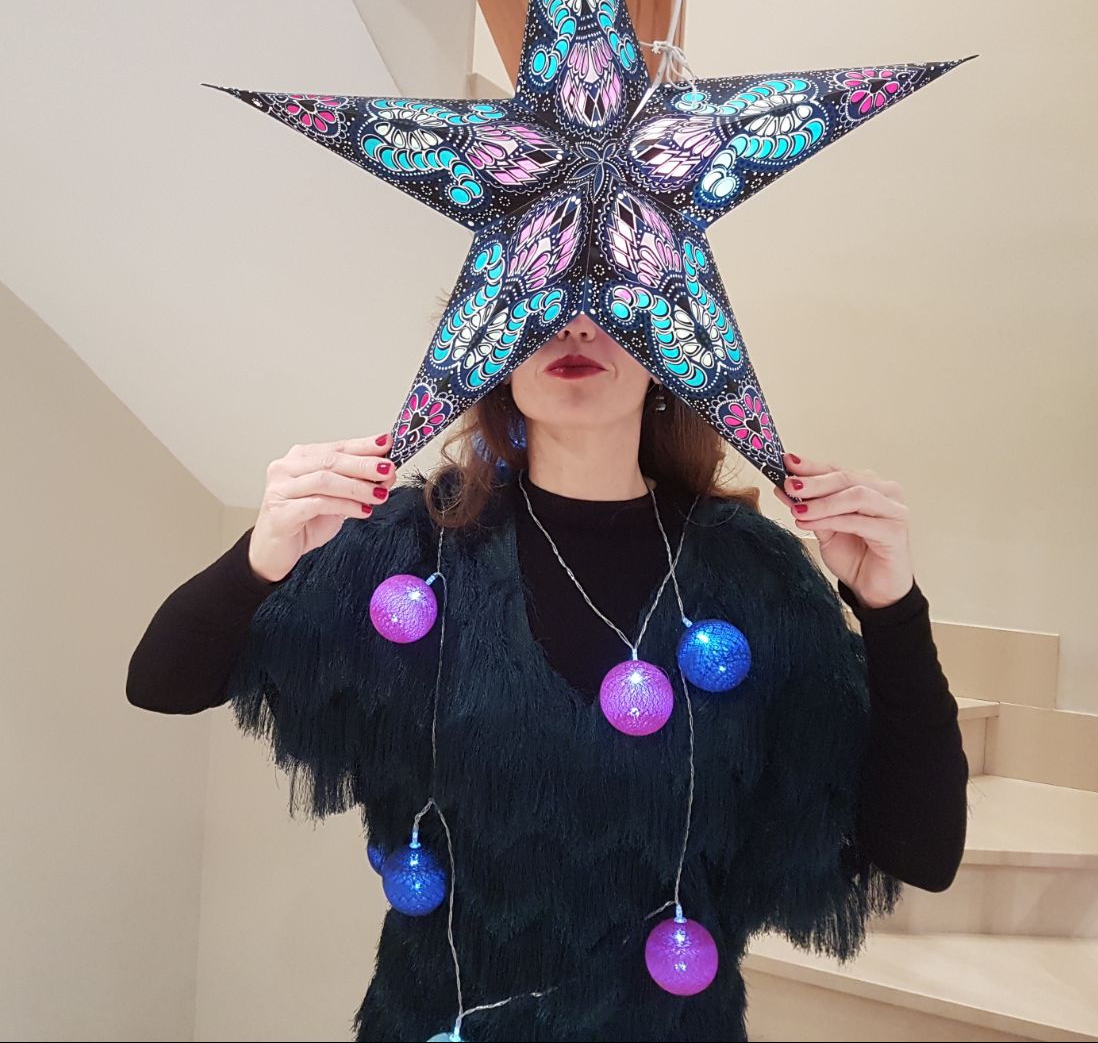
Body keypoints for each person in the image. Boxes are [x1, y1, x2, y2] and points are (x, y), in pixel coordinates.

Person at [127, 313, 968, 1042]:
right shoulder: (412, 552)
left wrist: (892, 608)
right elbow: (162, 679)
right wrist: (263, 553)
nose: (577, 324)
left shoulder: (753, 576)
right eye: (548, 295)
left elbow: (922, 852)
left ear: (669, 345)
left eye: (614, 298)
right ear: (494, 343)